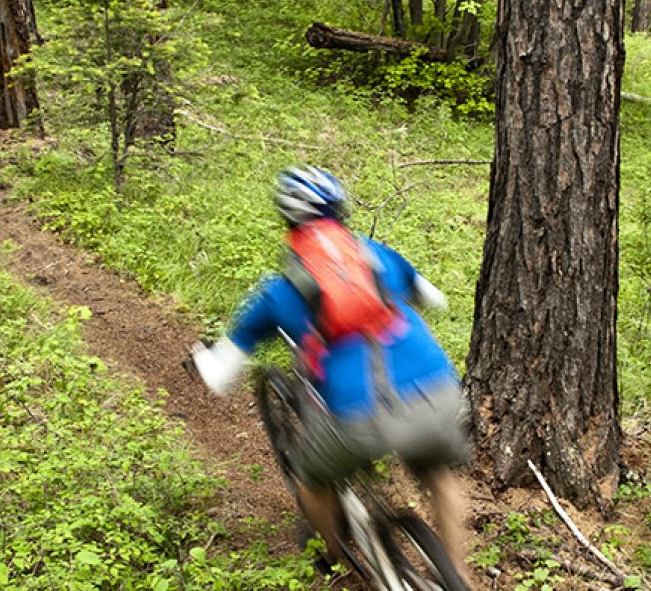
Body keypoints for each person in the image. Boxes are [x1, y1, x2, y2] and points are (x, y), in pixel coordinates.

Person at [188, 166, 474, 578]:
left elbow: (219, 375)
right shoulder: (379, 255)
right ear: (341, 212)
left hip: (359, 415)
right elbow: (434, 298)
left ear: (288, 222)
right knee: (438, 474)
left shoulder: (278, 292)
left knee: (312, 480)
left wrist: (204, 357)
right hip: (438, 389)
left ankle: (332, 556)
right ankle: (459, 575)